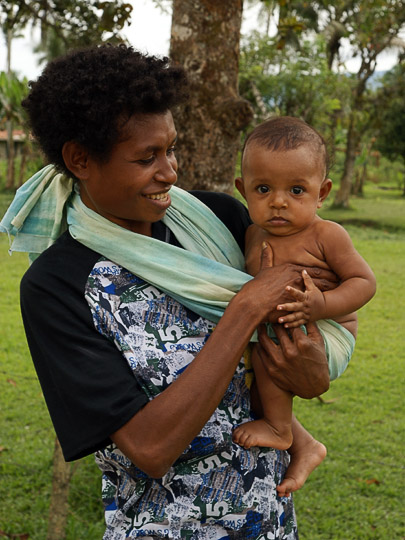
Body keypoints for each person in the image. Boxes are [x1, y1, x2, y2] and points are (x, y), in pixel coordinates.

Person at [1, 46, 342, 540]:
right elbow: (150, 448)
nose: (170, 172)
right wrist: (244, 308)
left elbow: (298, 345)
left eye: (171, 149)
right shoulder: (59, 286)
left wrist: (312, 371)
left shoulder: (218, 221)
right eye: (147, 157)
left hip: (268, 521)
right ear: (80, 159)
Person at [233, 116, 376, 497]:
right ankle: (304, 444)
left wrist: (321, 304)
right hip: (283, 329)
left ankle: (281, 431)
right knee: (253, 356)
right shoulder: (250, 236)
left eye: (297, 190)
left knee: (267, 347)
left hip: (329, 332)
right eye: (263, 188)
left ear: (322, 191)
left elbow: (365, 283)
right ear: (242, 189)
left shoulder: (326, 234)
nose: (279, 201)